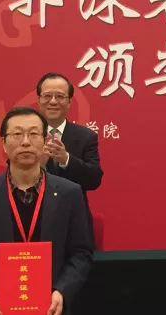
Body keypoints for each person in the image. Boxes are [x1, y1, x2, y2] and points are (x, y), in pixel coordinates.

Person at [0, 106, 94, 315]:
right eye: (17, 134)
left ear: (45, 141)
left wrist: (62, 291)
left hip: (51, 307)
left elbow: (81, 253)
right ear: (3, 143)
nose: (26, 142)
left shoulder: (69, 193)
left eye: (34, 134)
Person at [35, 73, 103, 248]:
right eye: (47, 96)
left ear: (70, 102)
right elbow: (12, 176)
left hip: (73, 222)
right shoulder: (27, 135)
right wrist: (38, 165)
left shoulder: (86, 137)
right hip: (33, 221)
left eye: (60, 96)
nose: (53, 101)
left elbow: (94, 179)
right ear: (39, 99)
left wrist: (66, 159)